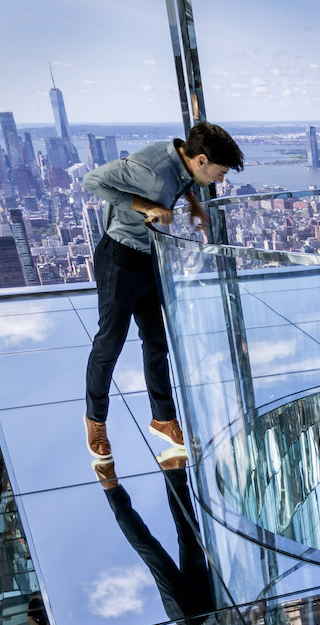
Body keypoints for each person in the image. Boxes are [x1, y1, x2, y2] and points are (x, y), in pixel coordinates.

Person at [83, 122, 244, 470]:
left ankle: (163, 419)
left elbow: (183, 181)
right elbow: (92, 181)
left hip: (150, 257)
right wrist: (144, 206)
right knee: (109, 343)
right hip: (120, 257)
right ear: (201, 159)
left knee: (156, 342)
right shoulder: (151, 169)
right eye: (219, 172)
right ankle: (95, 421)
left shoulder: (184, 162)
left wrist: (194, 205)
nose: (220, 180)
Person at [95, 462, 226, 625]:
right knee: (189, 532)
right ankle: (174, 469)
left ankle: (111, 486)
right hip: (211, 604)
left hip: (192, 618)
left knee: (151, 551)